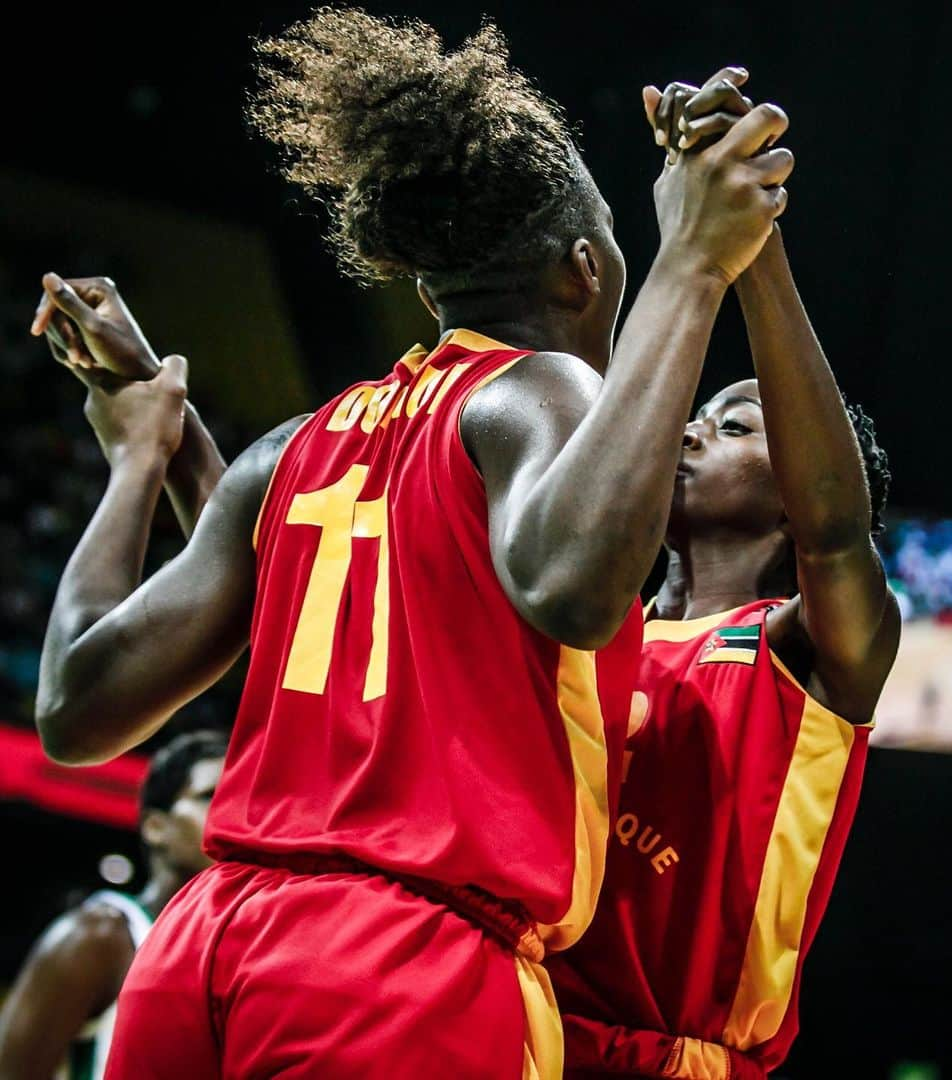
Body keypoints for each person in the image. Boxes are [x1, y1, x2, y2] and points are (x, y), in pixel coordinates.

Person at [30, 8, 793, 1076]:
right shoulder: (540, 392)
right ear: (584, 270)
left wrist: (136, 459)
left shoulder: (296, 448)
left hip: (204, 951)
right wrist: (695, 267)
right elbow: (575, 587)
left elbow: (73, 709)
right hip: (399, 970)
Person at [546, 90, 900, 1079]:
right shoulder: (578, 623)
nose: (694, 428)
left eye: (737, 424)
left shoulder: (811, 649)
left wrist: (752, 244)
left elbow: (839, 532)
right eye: (701, 414)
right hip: (511, 1027)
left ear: (796, 491)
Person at [0, 730, 227, 1080]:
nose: (231, 812)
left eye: (240, 796)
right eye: (210, 796)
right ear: (156, 827)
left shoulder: (235, 951)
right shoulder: (99, 934)